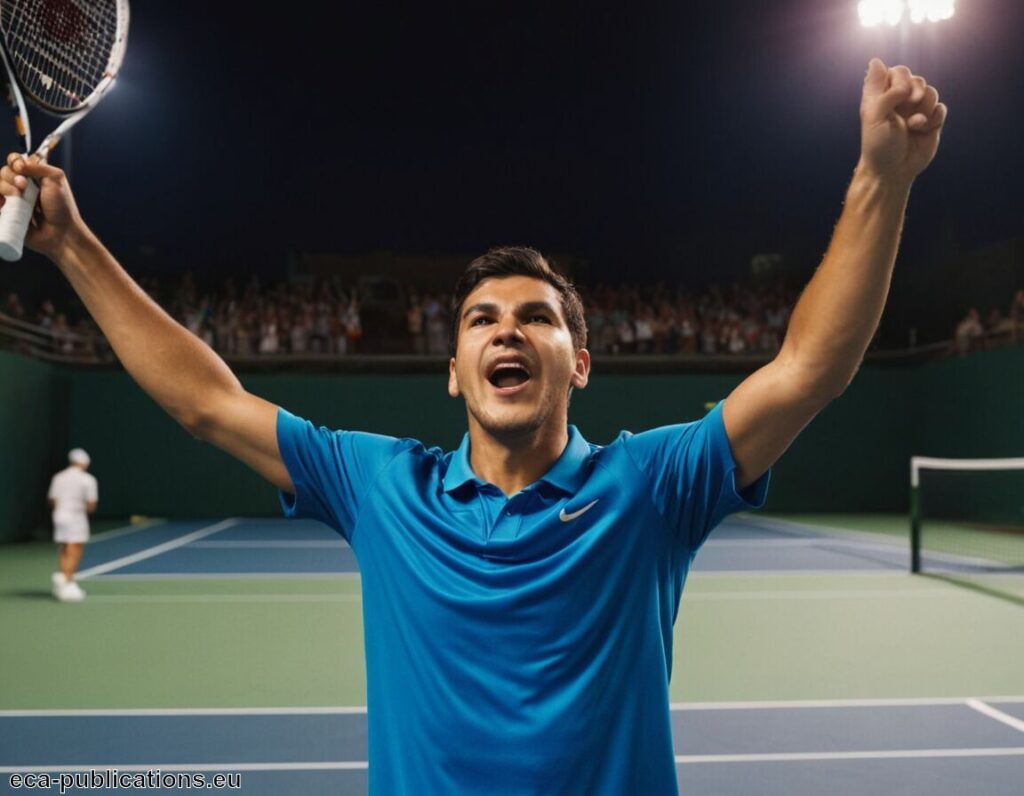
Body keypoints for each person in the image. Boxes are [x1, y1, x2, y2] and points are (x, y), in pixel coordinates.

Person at [1, 58, 945, 793]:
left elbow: (811, 369)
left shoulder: (652, 488)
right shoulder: (380, 486)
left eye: (538, 317)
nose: (507, 330)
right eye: (481, 319)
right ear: (453, 373)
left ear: (580, 362)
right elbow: (206, 402)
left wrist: (883, 178)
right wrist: (73, 246)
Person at [47, 448, 98, 602]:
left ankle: (63, 580)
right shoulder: (88, 479)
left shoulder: (58, 477)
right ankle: (67, 581)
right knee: (75, 549)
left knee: (65, 548)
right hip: (76, 516)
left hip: (59, 515)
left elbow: (52, 500)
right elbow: (91, 505)